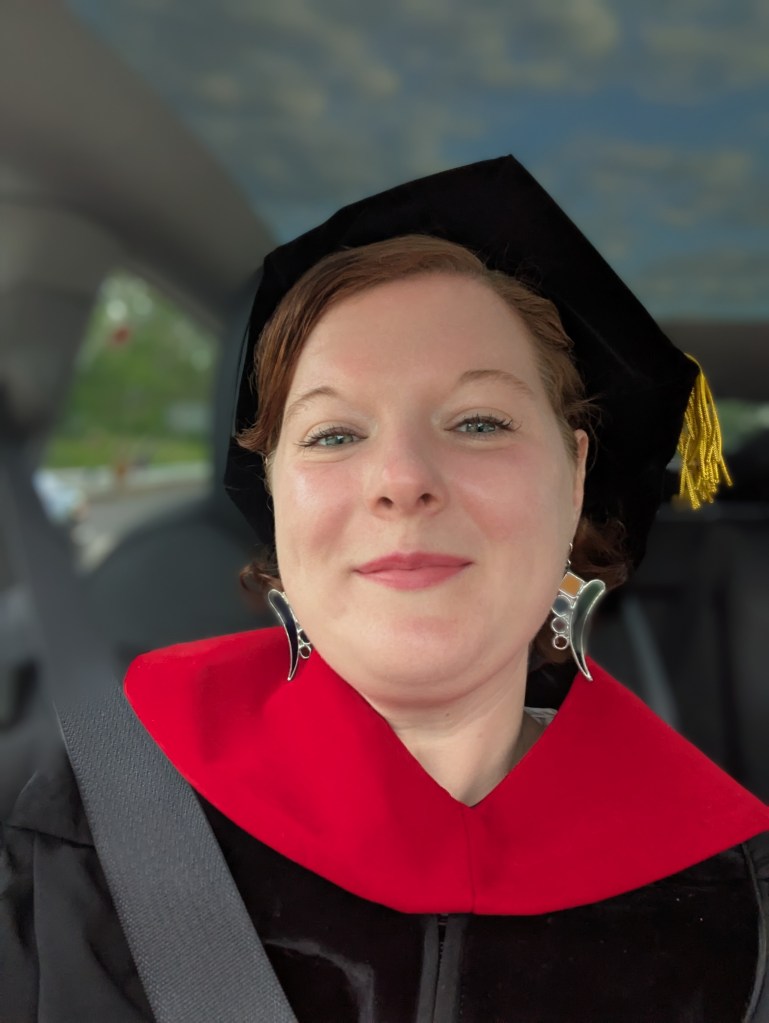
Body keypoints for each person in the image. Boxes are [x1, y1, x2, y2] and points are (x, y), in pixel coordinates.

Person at [2, 156, 769, 1022]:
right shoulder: (84, 826)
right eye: (333, 434)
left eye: (478, 421)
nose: (402, 479)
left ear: (574, 477)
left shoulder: (737, 900)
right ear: (276, 498)